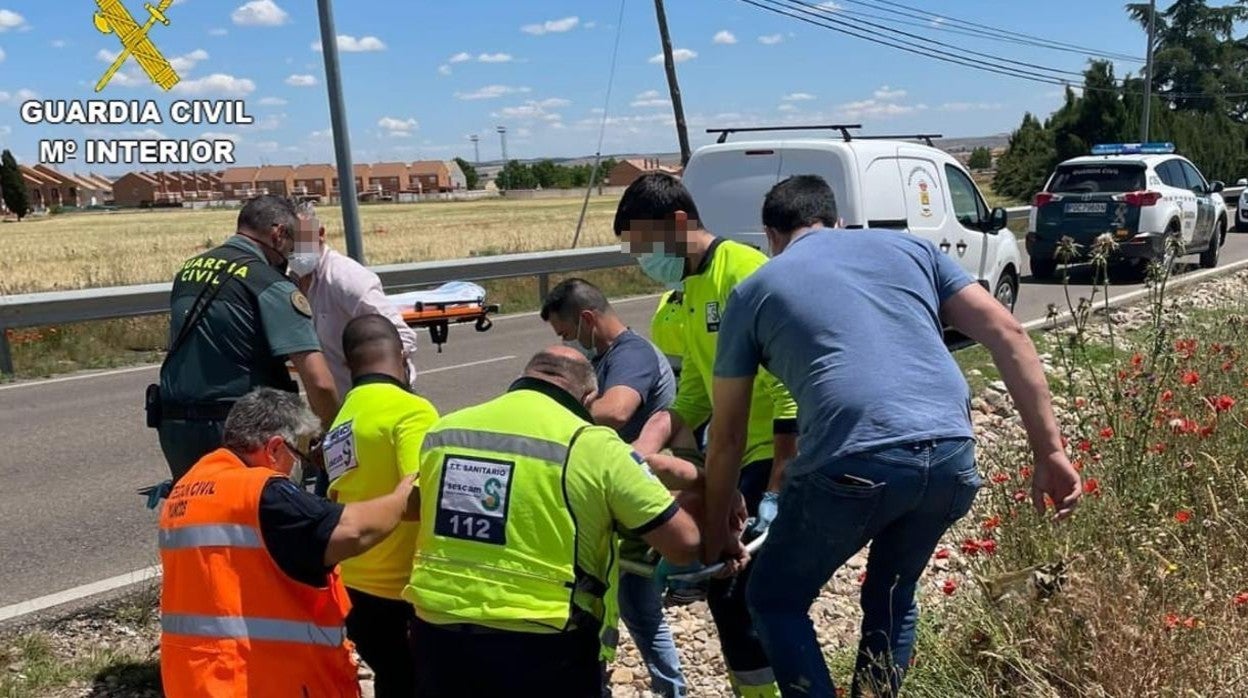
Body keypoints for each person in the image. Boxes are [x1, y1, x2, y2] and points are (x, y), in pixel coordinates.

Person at [707, 175, 1082, 697]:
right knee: (893, 594)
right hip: (952, 452)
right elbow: (1008, 333)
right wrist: (1051, 452)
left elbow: (727, 435)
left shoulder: (753, 291)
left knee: (774, 598)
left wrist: (718, 526)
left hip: (852, 457)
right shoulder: (913, 250)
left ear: (771, 235)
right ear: (837, 221)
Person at [402, 346, 702, 698]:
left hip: (436, 631)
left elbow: (415, 506)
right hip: (543, 638)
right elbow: (684, 545)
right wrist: (701, 485)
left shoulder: (446, 429)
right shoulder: (595, 445)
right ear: (589, 398)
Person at [620, 173, 797, 698]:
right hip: (733, 455)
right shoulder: (690, 289)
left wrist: (776, 489)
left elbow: (788, 392)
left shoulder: (744, 273)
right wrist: (643, 445)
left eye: (645, 247)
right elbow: (695, 394)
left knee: (737, 590)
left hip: (772, 452)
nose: (643, 260)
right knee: (730, 590)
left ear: (678, 223)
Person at [158, 387, 417, 697]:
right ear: (275, 448)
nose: (301, 466)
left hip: (198, 678)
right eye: (301, 455)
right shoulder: (262, 492)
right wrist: (404, 496)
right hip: (257, 681)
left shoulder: (189, 487)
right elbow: (352, 531)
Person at [540, 278, 687, 697]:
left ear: (587, 319)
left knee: (635, 604)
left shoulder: (630, 354)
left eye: (566, 332)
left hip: (637, 497)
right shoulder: (607, 356)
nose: (567, 342)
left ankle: (669, 688)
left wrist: (559, 405)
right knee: (623, 603)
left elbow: (616, 411)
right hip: (617, 497)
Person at [153, 195, 339, 483]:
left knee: (198, 509)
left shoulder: (188, 270)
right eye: (291, 245)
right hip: (245, 432)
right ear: (278, 234)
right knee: (265, 510)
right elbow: (320, 383)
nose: (290, 256)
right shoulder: (271, 284)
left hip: (176, 428)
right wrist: (333, 439)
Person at [323, 315, 439, 698]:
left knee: (392, 679)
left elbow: (338, 495)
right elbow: (420, 499)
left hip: (353, 584)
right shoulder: (412, 411)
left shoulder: (343, 418)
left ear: (346, 362)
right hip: (401, 590)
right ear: (403, 355)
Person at [287, 202, 420, 398]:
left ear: (320, 234)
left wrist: (370, 372)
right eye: (289, 239)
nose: (294, 247)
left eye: (301, 238)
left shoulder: (347, 279)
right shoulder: (289, 282)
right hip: (336, 402)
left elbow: (402, 337)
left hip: (376, 399)